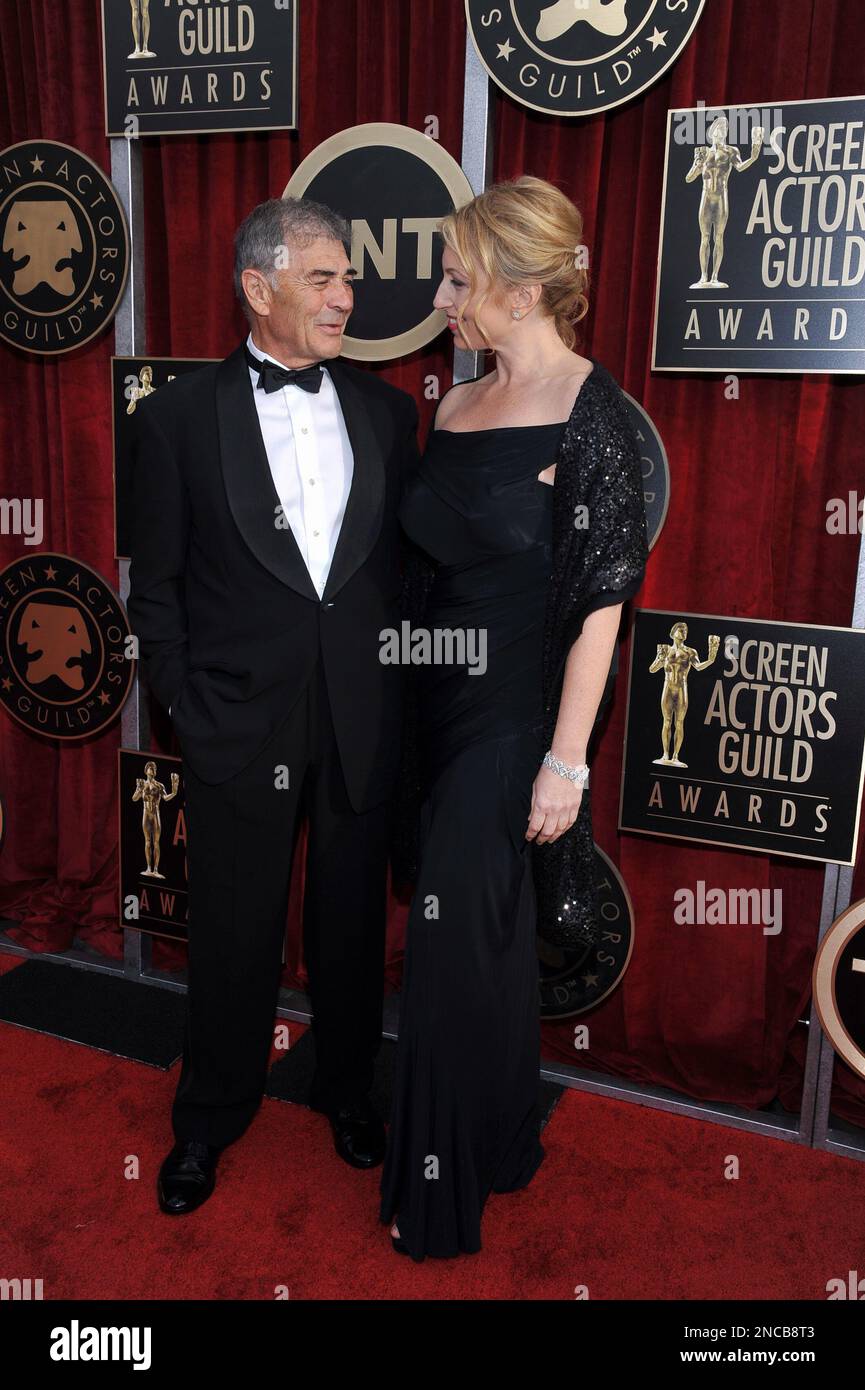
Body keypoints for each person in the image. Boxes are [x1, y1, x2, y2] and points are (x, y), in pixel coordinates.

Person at [128, 196, 419, 1214]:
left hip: (359, 714)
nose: (346, 298)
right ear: (258, 288)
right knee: (232, 932)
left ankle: (347, 1090)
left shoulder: (389, 413)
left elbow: (397, 578)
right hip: (236, 722)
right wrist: (182, 702)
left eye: (348, 279)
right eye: (322, 279)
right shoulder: (173, 419)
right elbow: (156, 587)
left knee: (350, 924)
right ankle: (208, 1116)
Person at [380, 175, 649, 1260]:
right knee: (484, 947)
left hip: (508, 726)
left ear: (523, 292)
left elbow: (599, 609)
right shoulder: (452, 406)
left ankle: (435, 1196)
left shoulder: (594, 417)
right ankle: (495, 1142)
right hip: (430, 704)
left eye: (458, 280)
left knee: (449, 950)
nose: (441, 299)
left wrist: (564, 763)